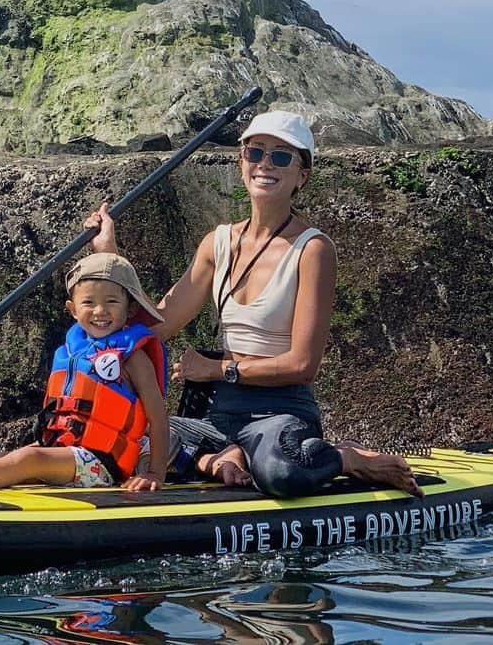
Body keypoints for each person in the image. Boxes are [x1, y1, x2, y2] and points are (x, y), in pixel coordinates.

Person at [86, 109, 422, 499]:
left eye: (281, 157)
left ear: (303, 174)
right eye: (255, 152)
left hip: (279, 415)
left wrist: (217, 369)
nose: (265, 164)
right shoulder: (218, 242)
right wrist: (108, 255)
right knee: (126, 437)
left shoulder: (313, 249)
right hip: (216, 417)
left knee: (281, 474)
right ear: (241, 161)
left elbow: (302, 365)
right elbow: (157, 324)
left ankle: (346, 458)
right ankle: (225, 456)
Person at [0, 252, 170, 492]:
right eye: (89, 303)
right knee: (2, 459)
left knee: (29, 461)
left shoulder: (133, 358)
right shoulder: (72, 351)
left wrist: (155, 472)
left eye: (111, 301)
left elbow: (158, 417)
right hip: (64, 451)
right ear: (73, 310)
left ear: (130, 308)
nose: (100, 311)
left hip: (102, 464)